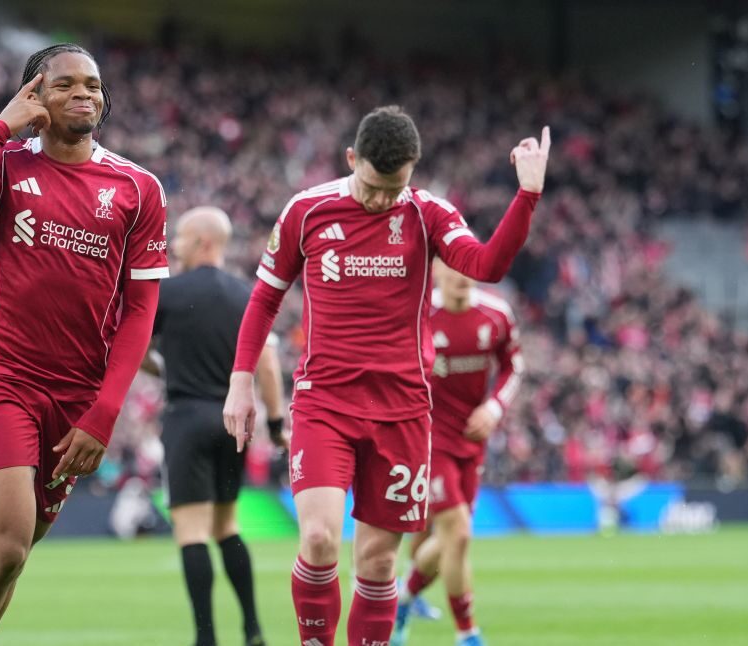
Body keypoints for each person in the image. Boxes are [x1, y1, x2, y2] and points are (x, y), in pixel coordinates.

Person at [223, 106, 550, 646]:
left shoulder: (429, 213)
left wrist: (527, 195)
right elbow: (264, 298)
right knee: (321, 538)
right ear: (352, 159)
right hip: (324, 402)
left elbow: (488, 266)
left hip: (403, 410)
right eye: (373, 187)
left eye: (394, 188)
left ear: (412, 171)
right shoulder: (307, 210)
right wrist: (241, 381)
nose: (381, 200)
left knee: (376, 562)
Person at [0, 44, 168, 646]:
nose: (84, 92)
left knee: (13, 554)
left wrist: (105, 412)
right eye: (64, 84)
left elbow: (141, 311)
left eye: (92, 83)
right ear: (33, 96)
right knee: (6, 546)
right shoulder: (7, 162)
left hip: (78, 400)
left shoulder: (138, 188)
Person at [143, 206, 287, 646]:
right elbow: (266, 365)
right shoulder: (247, 295)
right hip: (232, 421)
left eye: (181, 238)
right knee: (228, 527)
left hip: (186, 418)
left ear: (204, 241)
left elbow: (134, 350)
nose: (174, 246)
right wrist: (277, 421)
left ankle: (206, 638)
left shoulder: (165, 293)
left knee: (191, 533)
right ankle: (253, 628)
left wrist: (163, 369)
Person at [392, 259, 524, 646]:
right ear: (437, 273)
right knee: (460, 532)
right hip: (429, 441)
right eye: (454, 267)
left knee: (453, 539)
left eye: (469, 266)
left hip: (472, 441)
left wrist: (494, 407)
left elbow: (513, 366)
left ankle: (403, 599)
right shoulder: (421, 315)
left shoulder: (496, 314)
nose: (463, 276)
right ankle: (467, 633)